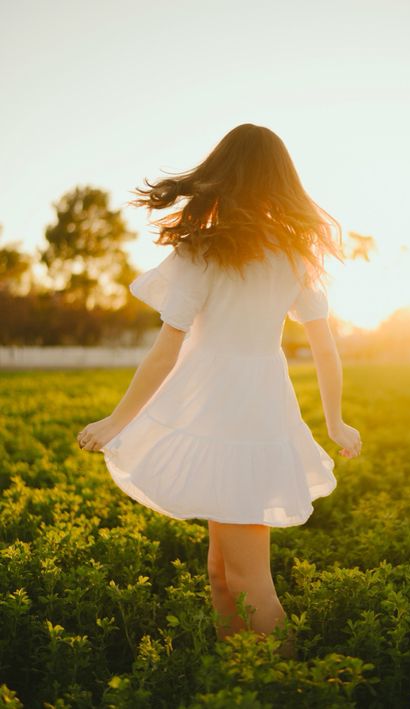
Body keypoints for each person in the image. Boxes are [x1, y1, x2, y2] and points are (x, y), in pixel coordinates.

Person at [76, 123, 362, 658]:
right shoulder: (287, 252)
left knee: (250, 580)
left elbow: (165, 352)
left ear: (220, 175)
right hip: (239, 407)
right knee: (221, 572)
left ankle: (289, 686)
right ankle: (241, 676)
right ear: (281, 180)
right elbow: (324, 347)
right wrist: (333, 420)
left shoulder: (206, 251)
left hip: (233, 413)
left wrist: (116, 423)